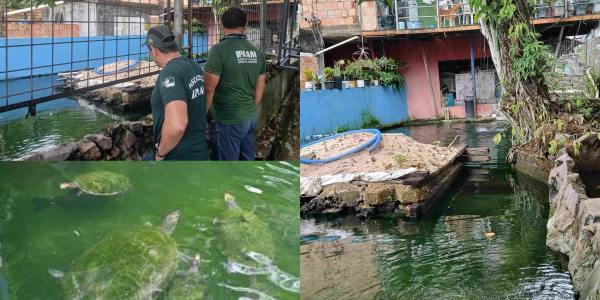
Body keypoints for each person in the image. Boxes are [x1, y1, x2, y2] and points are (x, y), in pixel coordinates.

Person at [204, 7, 267, 161]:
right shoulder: (257, 52)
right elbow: (260, 86)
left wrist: (201, 118)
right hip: (249, 119)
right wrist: (249, 110)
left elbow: (209, 89)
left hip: (226, 121)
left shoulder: (218, 51)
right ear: (246, 25)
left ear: (221, 25)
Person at [141, 24, 209, 161]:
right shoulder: (194, 66)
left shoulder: (169, 73)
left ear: (153, 50)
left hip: (179, 160)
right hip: (200, 153)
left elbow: (178, 125)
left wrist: (161, 153)